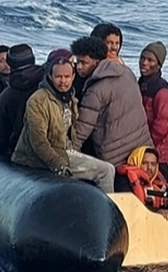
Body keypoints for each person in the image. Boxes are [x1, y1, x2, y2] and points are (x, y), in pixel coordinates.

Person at [11, 56, 116, 191]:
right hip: (35, 158)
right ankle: (110, 212)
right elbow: (38, 141)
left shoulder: (70, 98)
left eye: (67, 77)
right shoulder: (38, 100)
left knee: (108, 168)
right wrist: (58, 164)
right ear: (50, 76)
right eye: (58, 77)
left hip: (63, 151)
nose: (63, 81)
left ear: (73, 77)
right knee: (105, 171)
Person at [70, 35, 152, 167]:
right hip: (142, 149)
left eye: (84, 62)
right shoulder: (126, 72)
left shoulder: (96, 90)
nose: (78, 67)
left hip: (116, 156)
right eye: (77, 62)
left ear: (97, 62)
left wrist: (69, 155)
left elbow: (82, 128)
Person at [0, 44, 42, 160]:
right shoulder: (48, 82)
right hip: (49, 152)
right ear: (33, 60)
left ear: (10, 65)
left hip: (17, 152)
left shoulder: (6, 96)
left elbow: (0, 136)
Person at [138, 41, 168, 169]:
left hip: (160, 155)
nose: (144, 63)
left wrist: (145, 147)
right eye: (142, 58)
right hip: (147, 151)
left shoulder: (162, 90)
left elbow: (162, 127)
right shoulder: (141, 84)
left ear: (159, 66)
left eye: (150, 60)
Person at [117, 145, 168, 221]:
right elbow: (130, 205)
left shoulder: (160, 184)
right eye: (145, 163)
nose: (149, 168)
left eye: (153, 164)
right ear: (137, 161)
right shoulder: (123, 180)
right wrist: (156, 211)